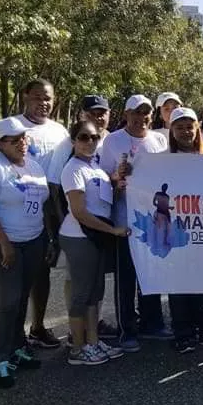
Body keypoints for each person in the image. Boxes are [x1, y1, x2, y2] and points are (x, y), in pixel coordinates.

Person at [0, 78, 69, 349]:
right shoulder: (9, 127)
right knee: (13, 289)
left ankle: (37, 328)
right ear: (25, 97)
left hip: (45, 209)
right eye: (37, 97)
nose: (43, 103)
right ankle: (9, 344)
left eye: (48, 98)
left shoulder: (60, 132)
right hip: (10, 213)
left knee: (40, 274)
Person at [0, 117, 51, 388]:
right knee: (8, 299)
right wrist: (4, 243)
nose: (22, 143)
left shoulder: (33, 165)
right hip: (2, 242)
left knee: (20, 299)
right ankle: (1, 359)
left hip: (33, 239)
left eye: (24, 138)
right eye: (14, 139)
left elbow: (41, 203)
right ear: (0, 143)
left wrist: (45, 238)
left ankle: (17, 347)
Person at [97, 94, 170, 352]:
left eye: (146, 112)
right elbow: (103, 177)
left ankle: (153, 323)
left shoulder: (160, 139)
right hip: (124, 217)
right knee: (126, 276)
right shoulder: (112, 141)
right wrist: (117, 176)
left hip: (152, 219)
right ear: (126, 114)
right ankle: (127, 328)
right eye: (136, 113)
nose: (142, 118)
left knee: (151, 272)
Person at [45, 94, 118, 340]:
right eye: (93, 112)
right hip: (78, 226)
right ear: (82, 115)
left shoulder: (108, 141)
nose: (99, 117)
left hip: (99, 225)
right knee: (77, 281)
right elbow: (55, 188)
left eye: (102, 112)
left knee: (95, 283)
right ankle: (77, 333)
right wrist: (61, 228)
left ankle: (92, 328)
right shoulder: (68, 146)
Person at [58, 120, 128, 366]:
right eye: (83, 137)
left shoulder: (95, 167)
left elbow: (104, 201)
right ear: (73, 141)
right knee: (81, 294)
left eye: (94, 138)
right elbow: (79, 212)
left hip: (97, 237)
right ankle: (77, 349)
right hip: (79, 237)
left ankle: (93, 341)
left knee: (95, 293)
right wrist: (113, 230)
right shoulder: (73, 169)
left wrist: (118, 182)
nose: (90, 142)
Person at [166, 106, 203, 351]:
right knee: (178, 284)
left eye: (189, 126)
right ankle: (182, 330)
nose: (185, 131)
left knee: (200, 282)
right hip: (176, 231)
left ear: (197, 127)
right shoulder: (161, 160)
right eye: (180, 127)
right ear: (171, 130)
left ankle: (200, 326)